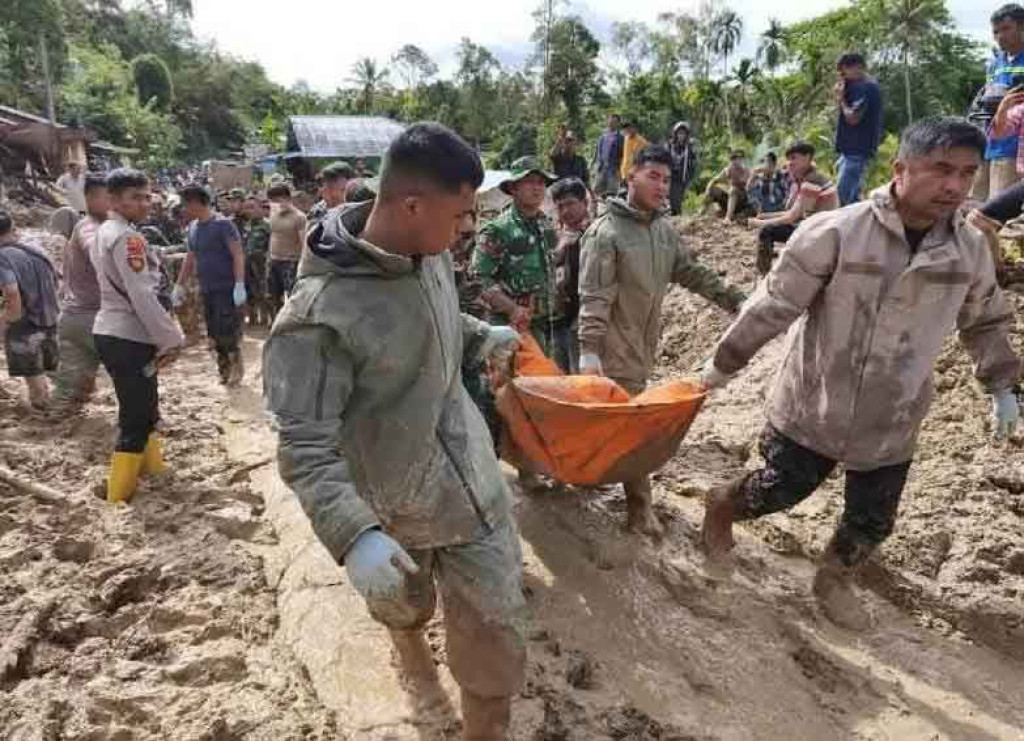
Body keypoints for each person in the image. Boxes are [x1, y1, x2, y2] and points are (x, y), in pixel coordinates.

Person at [700, 117, 1021, 630]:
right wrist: (720, 367)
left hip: (894, 408)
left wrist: (1002, 386)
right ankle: (722, 506)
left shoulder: (968, 250)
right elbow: (773, 305)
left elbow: (984, 319)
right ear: (900, 169)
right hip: (816, 397)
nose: (955, 187)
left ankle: (834, 578)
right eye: (941, 170)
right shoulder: (836, 231)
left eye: (966, 174)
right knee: (780, 489)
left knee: (874, 517)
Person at [264, 122, 526, 740]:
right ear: (412, 205)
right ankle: (410, 655)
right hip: (393, 508)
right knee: (404, 609)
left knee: (495, 648)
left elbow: (432, 320)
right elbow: (304, 446)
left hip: (476, 493)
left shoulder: (427, 252)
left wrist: (479, 334)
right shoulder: (316, 319)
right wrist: (355, 538)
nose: (469, 229)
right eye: (462, 214)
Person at [578, 145, 747, 538]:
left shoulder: (662, 231)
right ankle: (640, 510)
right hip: (611, 350)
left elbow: (689, 272)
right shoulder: (606, 233)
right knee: (633, 432)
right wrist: (589, 352)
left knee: (607, 427)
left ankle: (576, 477)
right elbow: (594, 297)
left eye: (667, 179)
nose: (661, 185)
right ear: (629, 177)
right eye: (652, 176)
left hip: (642, 346)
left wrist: (736, 301)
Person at [92, 168, 184, 503]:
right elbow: (142, 294)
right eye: (135, 197)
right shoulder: (129, 238)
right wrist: (170, 336)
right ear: (114, 199)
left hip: (112, 331)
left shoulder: (105, 231)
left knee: (142, 407)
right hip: (128, 334)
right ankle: (119, 496)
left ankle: (153, 469)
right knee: (137, 416)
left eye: (147, 196)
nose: (144, 203)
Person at [474, 157, 566, 367]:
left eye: (541, 182)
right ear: (513, 188)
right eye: (530, 181)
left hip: (545, 325)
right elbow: (480, 279)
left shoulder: (546, 225)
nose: (537, 188)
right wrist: (511, 308)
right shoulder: (498, 229)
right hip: (510, 328)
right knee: (510, 388)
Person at [171, 185, 247, 386]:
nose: (184, 209)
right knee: (213, 331)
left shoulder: (223, 225)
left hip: (225, 287)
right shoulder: (193, 227)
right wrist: (179, 285)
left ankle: (235, 366)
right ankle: (224, 369)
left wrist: (239, 284)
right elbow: (190, 257)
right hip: (207, 288)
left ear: (196, 202)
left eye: (186, 204)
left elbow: (237, 254)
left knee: (227, 329)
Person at [51, 173, 108, 407]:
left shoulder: (87, 227)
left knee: (70, 392)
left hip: (73, 318)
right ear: (91, 198)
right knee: (135, 378)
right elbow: (94, 246)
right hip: (96, 319)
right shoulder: (91, 227)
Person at [750, 141, 838, 275]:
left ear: (807, 157)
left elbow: (792, 216)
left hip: (819, 232)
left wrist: (760, 222)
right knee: (769, 224)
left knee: (766, 231)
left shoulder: (812, 181)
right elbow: (793, 211)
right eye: (789, 159)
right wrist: (766, 216)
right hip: (818, 227)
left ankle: (764, 274)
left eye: (794, 158)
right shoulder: (809, 177)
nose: (790, 163)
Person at [0, 211, 60, 409]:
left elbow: (11, 294)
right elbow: (55, 281)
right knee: (43, 372)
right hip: (50, 317)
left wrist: (8, 320)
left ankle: (43, 420)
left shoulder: (3, 257)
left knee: (34, 381)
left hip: (26, 323)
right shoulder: (35, 248)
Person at [972, 4, 1024, 201]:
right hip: (988, 145)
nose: (1000, 36)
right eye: (996, 31)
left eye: (1006, 29)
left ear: (1022, 27)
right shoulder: (995, 64)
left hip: (1013, 149)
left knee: (998, 210)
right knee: (972, 205)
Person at [550, 177, 590, 374]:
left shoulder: (595, 234)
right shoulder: (554, 236)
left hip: (584, 319)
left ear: (585, 203)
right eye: (560, 206)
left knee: (581, 379)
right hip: (557, 318)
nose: (566, 211)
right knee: (560, 377)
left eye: (571, 203)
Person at [834, 53, 883, 206]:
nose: (843, 76)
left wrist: (841, 98)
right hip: (849, 150)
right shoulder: (855, 86)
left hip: (857, 149)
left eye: (844, 72)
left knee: (841, 199)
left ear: (858, 67)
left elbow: (853, 118)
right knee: (851, 199)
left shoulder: (866, 87)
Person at [266, 183, 307, 319]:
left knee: (292, 296)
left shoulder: (299, 217)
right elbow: (273, 236)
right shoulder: (274, 215)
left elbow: (304, 244)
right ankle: (275, 321)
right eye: (272, 201)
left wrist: (302, 265)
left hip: (291, 262)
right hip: (274, 260)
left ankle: (292, 324)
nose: (275, 204)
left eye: (277, 201)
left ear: (288, 199)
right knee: (273, 295)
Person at [244, 196, 273, 327]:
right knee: (250, 290)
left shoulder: (267, 225)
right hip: (247, 262)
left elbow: (271, 245)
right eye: (247, 208)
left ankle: (266, 318)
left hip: (262, 263)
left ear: (260, 208)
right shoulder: (246, 226)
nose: (249, 211)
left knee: (264, 291)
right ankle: (252, 317)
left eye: (252, 207)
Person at [703, 151, 752, 222]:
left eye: (736, 159)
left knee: (734, 190)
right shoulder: (728, 170)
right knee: (714, 189)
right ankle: (704, 211)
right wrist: (708, 190)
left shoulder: (747, 170)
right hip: (730, 198)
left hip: (743, 200)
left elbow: (746, 186)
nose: (734, 161)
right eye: (732, 159)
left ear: (741, 159)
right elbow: (714, 180)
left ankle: (728, 217)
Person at [668, 121, 700, 216]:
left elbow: (695, 162)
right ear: (675, 134)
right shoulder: (670, 145)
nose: (681, 135)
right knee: (672, 199)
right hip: (672, 176)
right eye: (679, 133)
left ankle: (679, 216)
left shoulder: (690, 147)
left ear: (687, 135)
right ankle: (673, 215)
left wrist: (691, 178)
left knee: (682, 200)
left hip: (684, 177)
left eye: (683, 133)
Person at [594, 114, 624, 198]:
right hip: (602, 168)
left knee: (611, 193)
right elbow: (598, 152)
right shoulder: (602, 137)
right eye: (610, 121)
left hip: (613, 169)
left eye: (614, 121)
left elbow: (623, 155)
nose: (611, 123)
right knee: (598, 191)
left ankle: (609, 210)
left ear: (618, 123)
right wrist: (597, 165)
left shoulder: (621, 138)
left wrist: (619, 169)